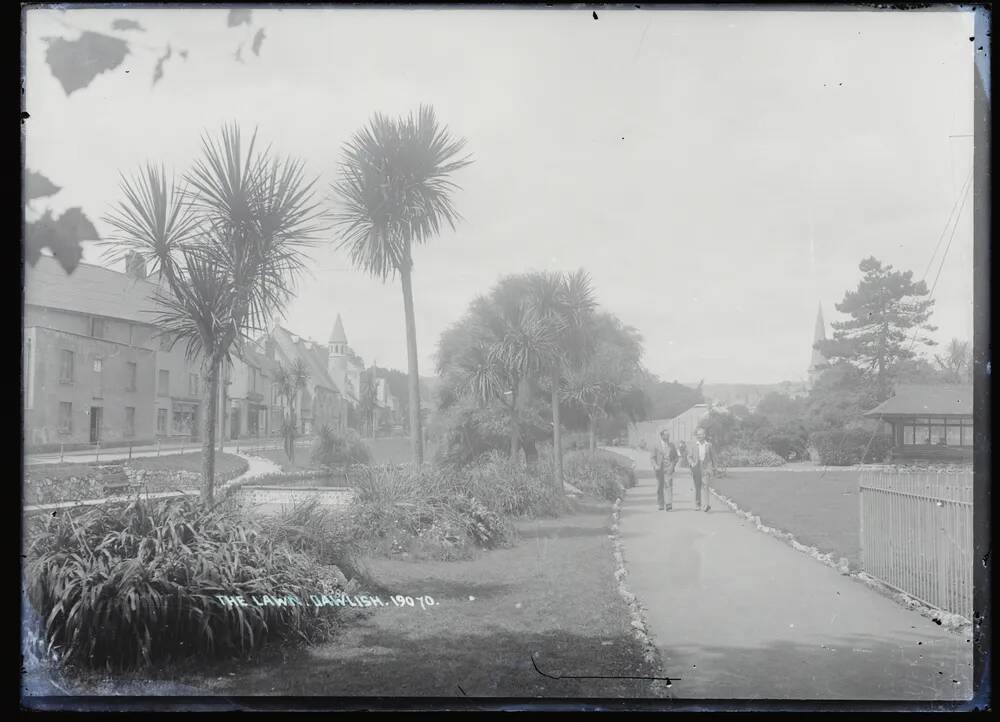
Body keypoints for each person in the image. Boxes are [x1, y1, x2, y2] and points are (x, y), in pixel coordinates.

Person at [687, 427, 717, 512]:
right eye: (698, 434)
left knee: (706, 486)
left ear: (704, 435)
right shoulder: (693, 445)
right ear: (696, 436)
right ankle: (697, 504)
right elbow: (689, 456)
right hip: (696, 467)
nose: (700, 436)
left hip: (706, 467)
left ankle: (706, 505)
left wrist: (714, 468)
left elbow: (713, 457)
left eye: (702, 434)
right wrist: (692, 463)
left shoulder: (709, 445)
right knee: (697, 487)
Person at [650, 428, 679, 511]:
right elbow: (652, 457)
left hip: (669, 469)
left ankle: (669, 504)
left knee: (669, 485)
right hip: (659, 469)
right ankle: (661, 503)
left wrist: (673, 465)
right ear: (662, 436)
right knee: (660, 487)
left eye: (668, 435)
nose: (668, 436)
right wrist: (655, 465)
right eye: (666, 435)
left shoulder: (672, 445)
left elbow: (676, 458)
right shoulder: (656, 445)